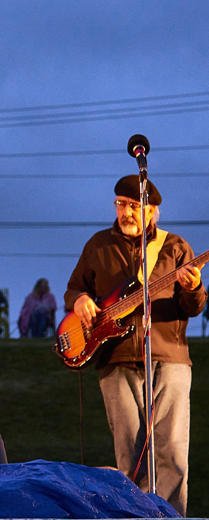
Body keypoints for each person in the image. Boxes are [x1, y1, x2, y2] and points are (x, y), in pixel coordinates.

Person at [64, 175, 206, 516]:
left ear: (153, 211)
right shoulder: (97, 245)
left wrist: (194, 286)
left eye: (132, 205)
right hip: (115, 359)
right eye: (120, 204)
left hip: (169, 357)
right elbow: (73, 289)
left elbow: (194, 307)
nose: (125, 212)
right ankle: (135, 515)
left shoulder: (175, 247)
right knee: (130, 451)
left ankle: (170, 515)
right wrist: (80, 299)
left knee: (171, 449)